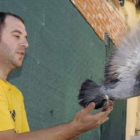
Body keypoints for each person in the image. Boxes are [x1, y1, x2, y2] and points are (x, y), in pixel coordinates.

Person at [0, 12, 113, 140]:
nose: (25, 43)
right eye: (16, 36)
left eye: (25, 37)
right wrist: (74, 128)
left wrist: (76, 130)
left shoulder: (15, 94)